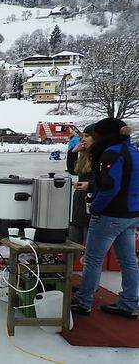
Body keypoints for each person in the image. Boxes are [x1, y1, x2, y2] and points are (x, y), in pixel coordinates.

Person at [72, 118, 139, 320]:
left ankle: (83, 302)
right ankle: (129, 303)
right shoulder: (133, 152)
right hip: (130, 215)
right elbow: (125, 182)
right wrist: (92, 186)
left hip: (110, 215)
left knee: (93, 259)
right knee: (128, 262)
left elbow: (110, 187)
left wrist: (95, 207)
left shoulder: (111, 153)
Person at [67, 124, 95, 244]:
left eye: (87, 136)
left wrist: (89, 185)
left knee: (89, 243)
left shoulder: (101, 157)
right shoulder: (84, 155)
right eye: (82, 136)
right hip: (79, 202)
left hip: (91, 203)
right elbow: (72, 170)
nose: (83, 139)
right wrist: (73, 153)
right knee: (73, 240)